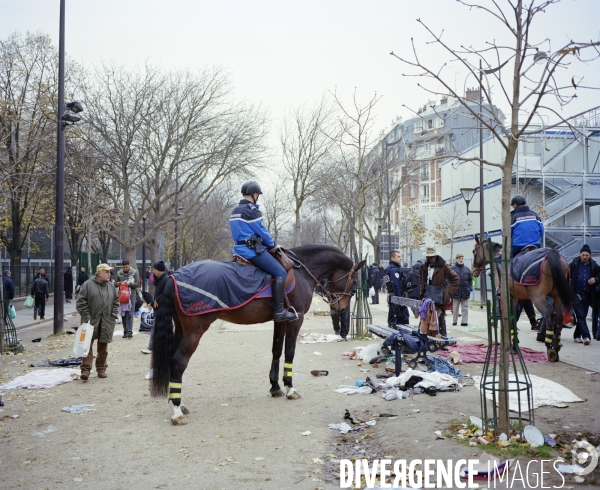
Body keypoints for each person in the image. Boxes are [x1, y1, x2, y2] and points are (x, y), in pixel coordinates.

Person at [230, 181, 296, 322]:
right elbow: (263, 233)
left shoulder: (235, 210)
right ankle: (279, 312)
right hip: (251, 251)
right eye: (257, 194)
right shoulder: (251, 211)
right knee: (280, 272)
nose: (257, 196)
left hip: (238, 250)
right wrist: (273, 245)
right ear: (254, 194)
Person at [76, 263, 119, 380]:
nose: (109, 274)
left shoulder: (111, 285)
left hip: (106, 320)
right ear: (99, 273)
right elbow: (80, 303)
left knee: (103, 346)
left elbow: (116, 301)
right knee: (87, 346)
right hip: (91, 320)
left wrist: (113, 314)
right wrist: (87, 317)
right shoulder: (87, 285)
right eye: (107, 272)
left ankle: (101, 369)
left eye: (109, 272)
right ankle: (85, 370)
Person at [511, 194, 544, 330]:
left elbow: (507, 233)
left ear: (515, 205)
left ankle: (503, 287)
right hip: (535, 246)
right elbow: (541, 231)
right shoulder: (535, 215)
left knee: (507, 262)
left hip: (519, 247)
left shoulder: (512, 217)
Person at [419, 246, 459, 344]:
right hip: (427, 295)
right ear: (427, 258)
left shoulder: (444, 266)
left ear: (436, 256)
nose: (432, 258)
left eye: (433, 256)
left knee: (440, 319)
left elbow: (456, 278)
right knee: (426, 317)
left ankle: (442, 341)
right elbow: (421, 281)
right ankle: (427, 339)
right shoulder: (423, 267)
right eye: (430, 257)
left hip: (440, 296)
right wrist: (421, 292)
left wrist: (449, 293)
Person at [569, 244, 600, 345]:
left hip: (588, 294)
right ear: (580, 254)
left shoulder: (594, 266)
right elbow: (566, 275)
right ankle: (586, 336)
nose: (585, 257)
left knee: (583, 315)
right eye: (583, 255)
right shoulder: (573, 264)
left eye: (587, 255)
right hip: (576, 294)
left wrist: (595, 279)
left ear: (590, 255)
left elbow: (599, 277)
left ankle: (577, 335)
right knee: (581, 315)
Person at [141, 261, 168, 355]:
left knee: (156, 328)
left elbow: (166, 292)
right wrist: (152, 303)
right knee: (161, 328)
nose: (153, 271)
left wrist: (158, 300)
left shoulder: (165, 279)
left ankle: (152, 347)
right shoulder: (160, 279)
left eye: (154, 269)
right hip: (160, 307)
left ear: (159, 270)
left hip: (163, 308)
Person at [115, 259, 140, 338]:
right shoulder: (119, 273)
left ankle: (129, 332)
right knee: (123, 314)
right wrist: (117, 284)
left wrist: (130, 284)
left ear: (129, 265)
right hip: (122, 296)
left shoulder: (134, 272)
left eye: (126, 267)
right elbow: (115, 284)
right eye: (123, 267)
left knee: (130, 314)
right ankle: (125, 331)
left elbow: (137, 284)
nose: (125, 268)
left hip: (131, 296)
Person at [384, 250, 410, 327]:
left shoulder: (389, 268)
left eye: (400, 256)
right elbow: (395, 286)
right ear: (392, 258)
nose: (401, 258)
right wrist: (400, 300)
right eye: (398, 257)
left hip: (392, 298)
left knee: (393, 320)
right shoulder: (394, 270)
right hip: (397, 300)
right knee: (401, 322)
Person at [451, 254, 473, 327]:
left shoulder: (467, 269)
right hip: (456, 291)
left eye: (462, 258)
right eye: (459, 258)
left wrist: (470, 288)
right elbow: (448, 279)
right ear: (456, 259)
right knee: (455, 308)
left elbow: (470, 280)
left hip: (465, 291)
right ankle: (454, 321)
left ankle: (464, 322)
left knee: (465, 308)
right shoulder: (452, 268)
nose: (461, 259)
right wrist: (451, 288)